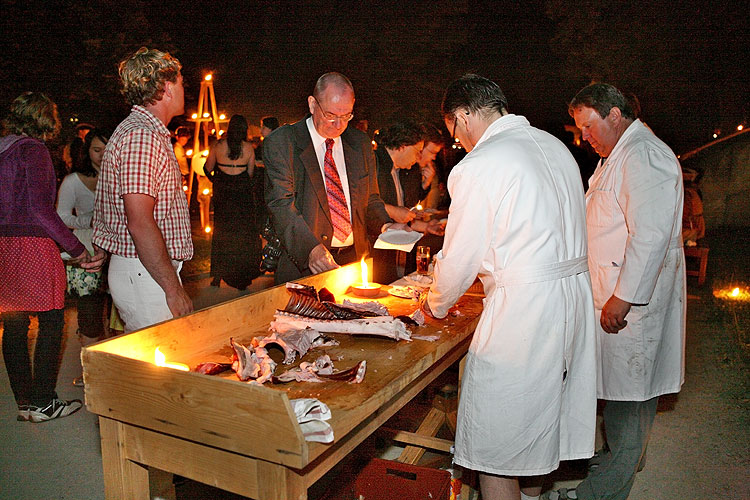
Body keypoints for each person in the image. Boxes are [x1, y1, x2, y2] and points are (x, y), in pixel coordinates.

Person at [421, 74, 597, 500]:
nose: (459, 143)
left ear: (463, 116)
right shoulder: (556, 147)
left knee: (493, 447)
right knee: (539, 427)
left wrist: (433, 303)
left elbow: (460, 257)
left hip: (525, 312)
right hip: (572, 300)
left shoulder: (480, 165)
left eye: (455, 133)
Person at [545, 83, 686, 500]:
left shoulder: (643, 154)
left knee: (630, 405)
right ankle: (611, 466)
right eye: (578, 128)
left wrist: (623, 298)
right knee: (620, 402)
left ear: (614, 114)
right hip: (614, 296)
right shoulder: (618, 155)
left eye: (587, 126)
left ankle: (594, 495)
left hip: (631, 306)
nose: (583, 136)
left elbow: (652, 235)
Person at [0, 92, 105, 422]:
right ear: (47, 118)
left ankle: (26, 403)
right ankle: (44, 402)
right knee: (51, 319)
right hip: (32, 244)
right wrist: (77, 250)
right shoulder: (34, 150)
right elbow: (40, 210)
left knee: (13, 324)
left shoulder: (3, 147)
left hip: (3, 245)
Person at [93, 47, 193, 332]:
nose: (185, 90)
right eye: (182, 83)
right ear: (166, 87)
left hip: (143, 270)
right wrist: (173, 289)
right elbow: (139, 221)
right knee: (160, 370)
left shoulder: (142, 131)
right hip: (145, 273)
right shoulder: (142, 136)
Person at [264, 72, 395, 284]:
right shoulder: (283, 142)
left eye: (346, 116)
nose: (338, 125)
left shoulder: (360, 143)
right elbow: (280, 205)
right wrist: (311, 250)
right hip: (305, 267)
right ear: (312, 104)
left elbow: (370, 199)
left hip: (355, 262)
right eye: (330, 115)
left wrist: (386, 226)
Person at [57, 128, 111, 385]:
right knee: (89, 314)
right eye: (96, 150)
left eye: (106, 149)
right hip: (85, 249)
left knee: (117, 314)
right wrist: (89, 220)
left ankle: (113, 370)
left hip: (116, 248)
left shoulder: (116, 177)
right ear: (86, 151)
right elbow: (61, 216)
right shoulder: (72, 181)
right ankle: (92, 373)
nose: (102, 155)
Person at [372, 120, 444, 284]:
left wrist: (424, 225)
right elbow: (364, 202)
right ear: (403, 146)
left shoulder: (402, 171)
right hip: (378, 254)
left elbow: (407, 212)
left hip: (397, 253)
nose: (420, 157)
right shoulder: (374, 164)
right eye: (418, 151)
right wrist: (395, 212)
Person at [204, 114, 264, 289]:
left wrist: (218, 180)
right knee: (242, 235)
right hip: (242, 194)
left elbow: (207, 168)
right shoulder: (248, 148)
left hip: (223, 193)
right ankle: (241, 278)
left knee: (222, 232)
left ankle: (217, 275)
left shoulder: (218, 145)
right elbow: (251, 173)